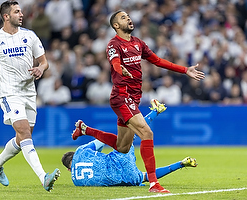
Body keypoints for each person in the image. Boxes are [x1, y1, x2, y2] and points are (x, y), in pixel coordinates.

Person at [72, 10, 205, 193]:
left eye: (128, 16)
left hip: (133, 97)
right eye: (123, 18)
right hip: (121, 96)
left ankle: (85, 129)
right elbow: (115, 62)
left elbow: (157, 61)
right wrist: (121, 70)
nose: (128, 18)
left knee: (122, 147)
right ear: (116, 26)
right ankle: (153, 184)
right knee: (146, 133)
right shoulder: (113, 44)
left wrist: (185, 70)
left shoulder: (138, 43)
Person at [0, 1, 60, 192]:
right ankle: (43, 177)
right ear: (6, 16)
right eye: (16, 12)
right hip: (9, 92)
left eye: (20, 11)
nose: (21, 14)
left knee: (22, 138)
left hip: (29, 92)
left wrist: (40, 68)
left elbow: (44, 62)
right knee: (24, 131)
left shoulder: (29, 36)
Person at [64, 100, 197, 186]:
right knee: (128, 136)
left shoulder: (76, 181)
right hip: (117, 160)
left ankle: (181, 164)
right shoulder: (81, 150)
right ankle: (156, 111)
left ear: (69, 170)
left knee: (144, 176)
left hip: (123, 179)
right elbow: (100, 142)